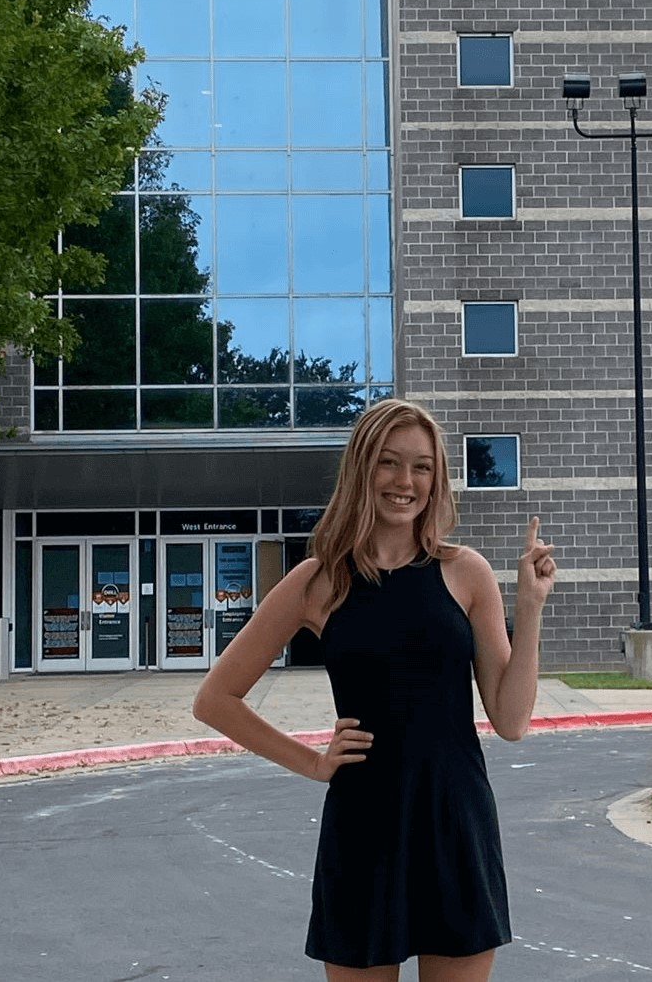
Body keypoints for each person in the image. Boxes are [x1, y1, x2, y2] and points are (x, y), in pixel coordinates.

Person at [193, 398, 556, 982]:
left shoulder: (467, 572)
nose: (405, 481)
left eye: (422, 466)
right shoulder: (319, 579)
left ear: (436, 478)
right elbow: (215, 699)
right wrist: (313, 763)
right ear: (363, 468)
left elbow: (511, 721)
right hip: (363, 823)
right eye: (389, 463)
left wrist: (530, 608)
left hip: (453, 817)